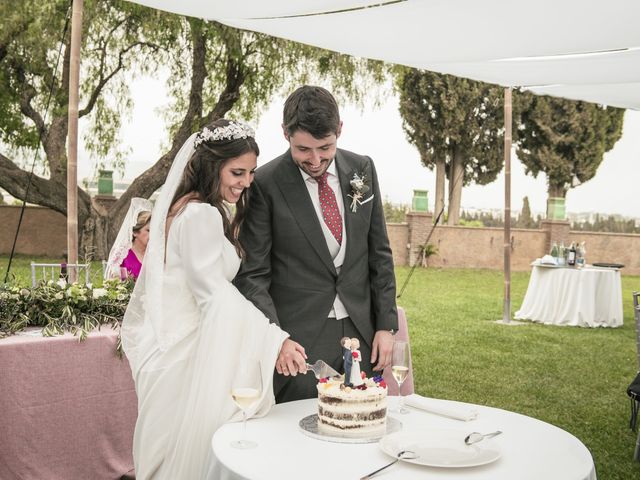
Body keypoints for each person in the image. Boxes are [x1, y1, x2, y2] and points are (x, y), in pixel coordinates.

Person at [121, 119, 289, 479]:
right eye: (237, 172)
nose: (246, 182)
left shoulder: (182, 207)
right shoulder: (200, 214)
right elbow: (213, 295)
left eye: (252, 172)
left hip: (173, 348)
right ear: (214, 166)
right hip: (186, 357)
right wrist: (273, 338)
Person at [234, 85, 398, 403]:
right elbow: (253, 275)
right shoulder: (265, 184)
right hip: (299, 342)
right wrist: (276, 338)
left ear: (339, 130)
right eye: (303, 149)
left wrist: (387, 326)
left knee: (362, 428)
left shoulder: (362, 169)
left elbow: (379, 253)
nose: (315, 159)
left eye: (325, 147)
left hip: (363, 334)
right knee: (299, 435)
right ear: (285, 134)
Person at [104, 198, 152, 280]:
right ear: (135, 232)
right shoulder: (121, 255)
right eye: (148, 230)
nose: (152, 234)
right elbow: (112, 283)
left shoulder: (154, 254)